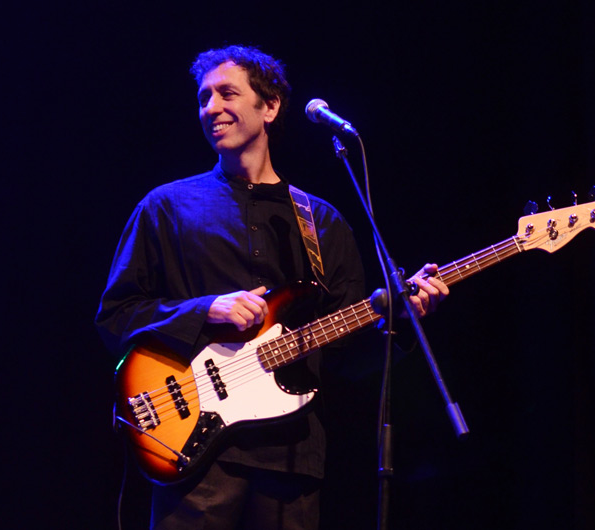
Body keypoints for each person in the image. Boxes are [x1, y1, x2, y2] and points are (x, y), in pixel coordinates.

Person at [95, 45, 448, 530]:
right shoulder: (167, 207)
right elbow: (116, 316)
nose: (211, 108)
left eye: (227, 94)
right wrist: (205, 309)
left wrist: (399, 320)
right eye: (203, 98)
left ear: (271, 106)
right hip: (192, 452)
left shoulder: (322, 222)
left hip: (292, 458)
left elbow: (343, 358)